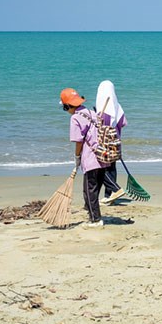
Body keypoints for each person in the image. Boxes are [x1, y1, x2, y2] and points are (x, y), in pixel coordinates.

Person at [60, 87, 110, 227]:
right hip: (103, 156)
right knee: (94, 188)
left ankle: (96, 219)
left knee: (89, 190)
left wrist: (77, 157)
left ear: (68, 106)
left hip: (90, 158)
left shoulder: (75, 118)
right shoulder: (92, 113)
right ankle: (92, 213)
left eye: (65, 108)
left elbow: (79, 141)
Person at [96, 80, 127, 205]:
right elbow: (123, 123)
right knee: (112, 168)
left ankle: (114, 190)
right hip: (116, 141)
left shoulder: (101, 110)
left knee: (101, 168)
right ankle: (109, 196)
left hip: (104, 143)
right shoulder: (117, 107)